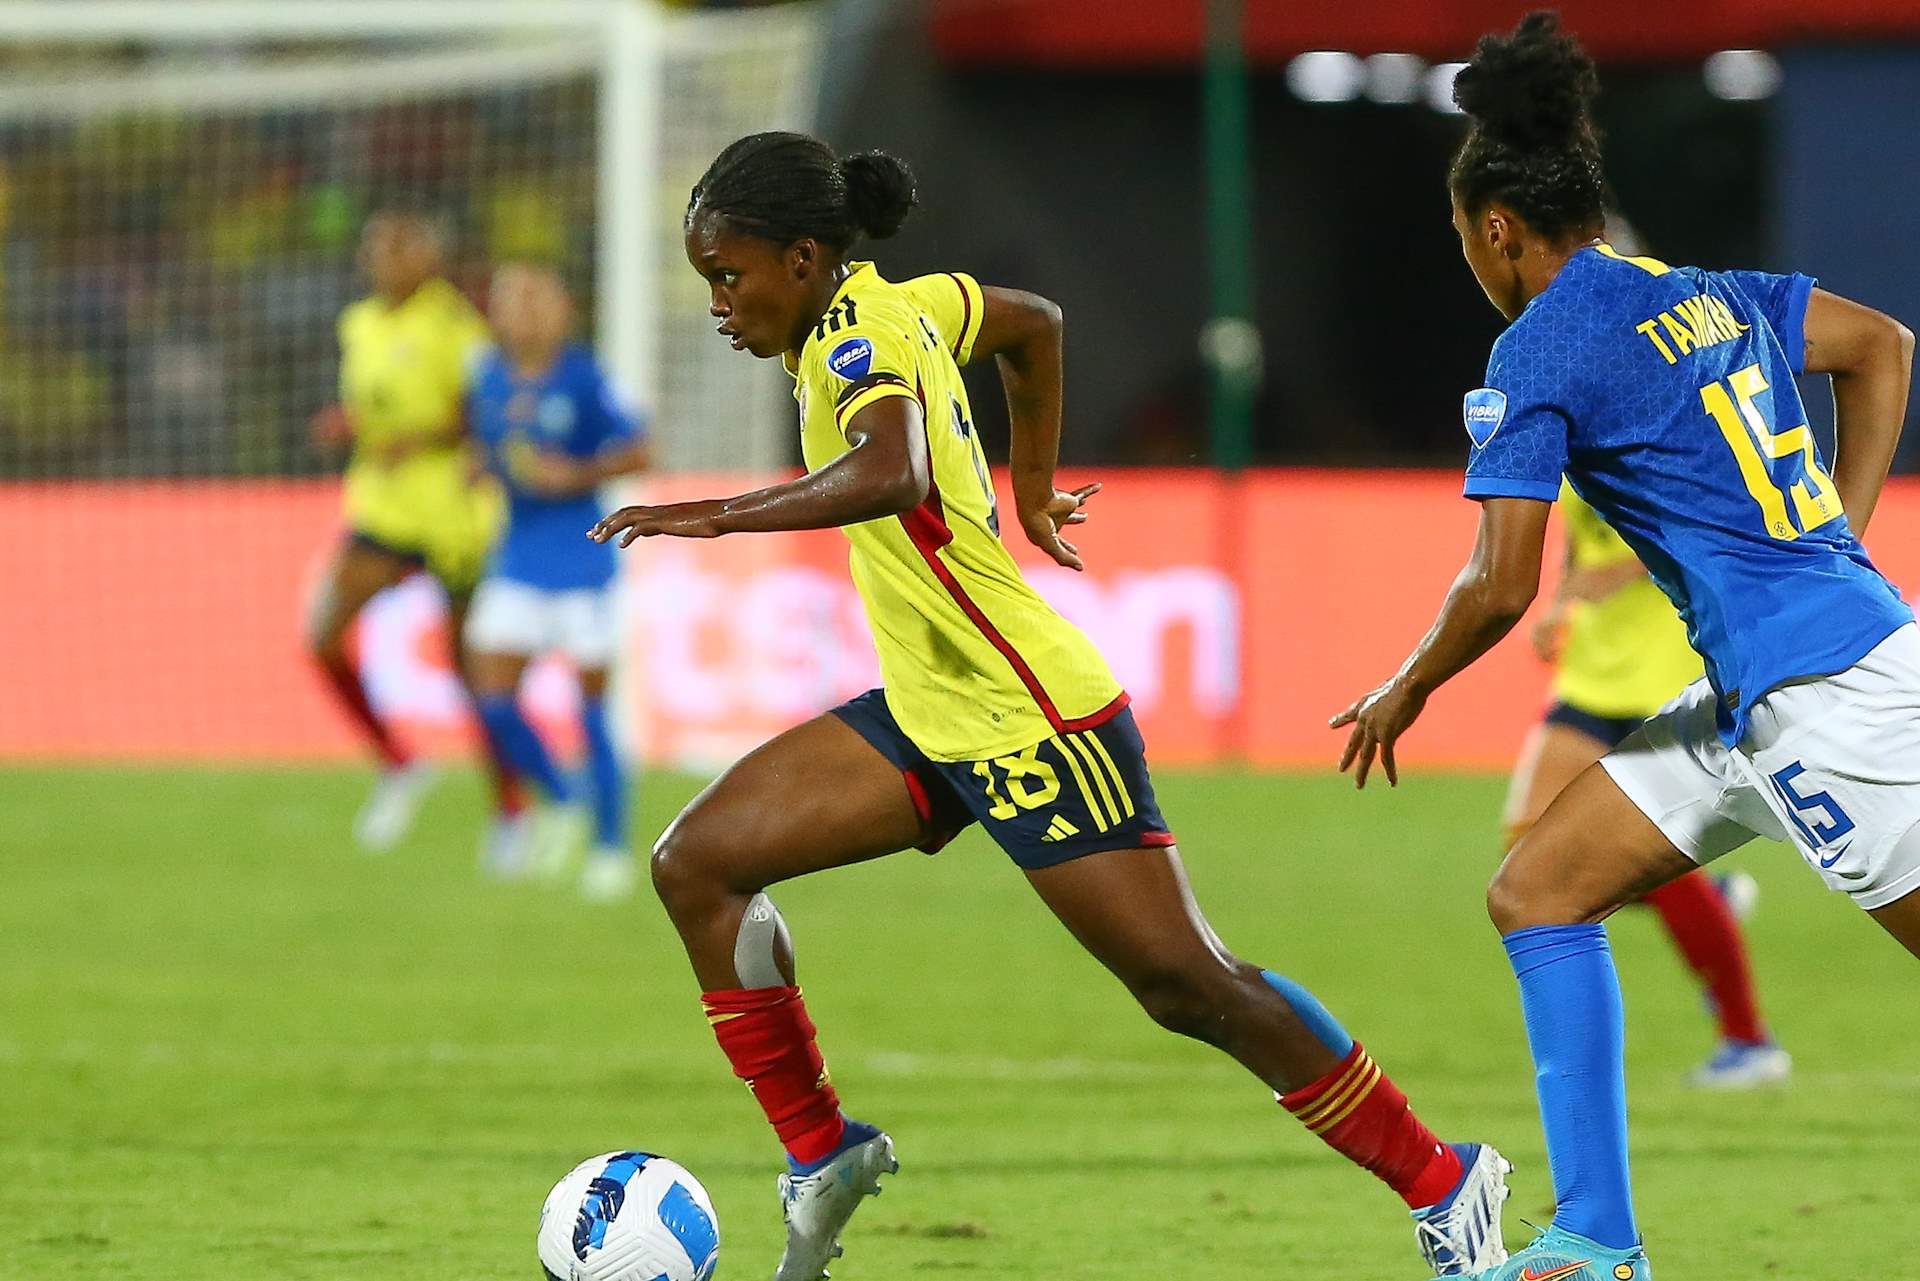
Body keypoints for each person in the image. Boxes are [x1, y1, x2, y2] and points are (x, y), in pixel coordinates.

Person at [587, 132, 1513, 1281]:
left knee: (1189, 985)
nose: (720, 305)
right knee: (700, 862)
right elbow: (1034, 324)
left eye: (729, 276)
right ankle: (822, 1152)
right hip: (934, 710)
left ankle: (1447, 1180)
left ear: (806, 255)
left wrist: (716, 515)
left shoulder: (857, 341)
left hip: (1031, 719)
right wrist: (1028, 488)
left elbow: (895, 469)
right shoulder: (904, 299)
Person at [1331, 14, 1917, 1280]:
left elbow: (1498, 586)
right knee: (1538, 890)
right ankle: (1597, 1241)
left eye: (1463, 242)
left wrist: (1404, 687)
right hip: (1761, 688)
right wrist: (1841, 533)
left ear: (1495, 229)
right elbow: (1883, 348)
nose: (1470, 264)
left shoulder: (1539, 345)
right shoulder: (1701, 293)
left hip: (1828, 705)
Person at [1508, 480, 1787, 1087]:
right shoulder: (1567, 442)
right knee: (1524, 849)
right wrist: (1559, 603)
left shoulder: (1650, 432)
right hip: (1592, 675)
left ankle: (1749, 1042)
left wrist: (1625, 573)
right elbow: (1583, 539)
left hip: (1661, 675)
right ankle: (1707, 897)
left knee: (1607, 858)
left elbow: (1695, 527)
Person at [307, 212, 528, 858]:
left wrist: (420, 438)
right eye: (377, 249)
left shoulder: (455, 327)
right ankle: (399, 761)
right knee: (320, 635)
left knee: (471, 670)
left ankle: (510, 811)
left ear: (428, 257)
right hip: (383, 507)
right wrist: (352, 423)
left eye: (400, 248)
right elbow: (379, 404)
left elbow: (481, 412)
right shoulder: (360, 323)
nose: (384, 260)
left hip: (451, 511)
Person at [464, 263, 651, 897]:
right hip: (516, 558)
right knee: (490, 698)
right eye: (508, 299)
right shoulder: (485, 377)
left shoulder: (586, 376)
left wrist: (572, 477)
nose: (520, 311)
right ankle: (564, 794)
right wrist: (480, 470)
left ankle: (610, 848)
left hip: (583, 563)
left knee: (592, 707)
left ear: (561, 309)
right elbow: (488, 447)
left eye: (533, 298)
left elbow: (640, 449)